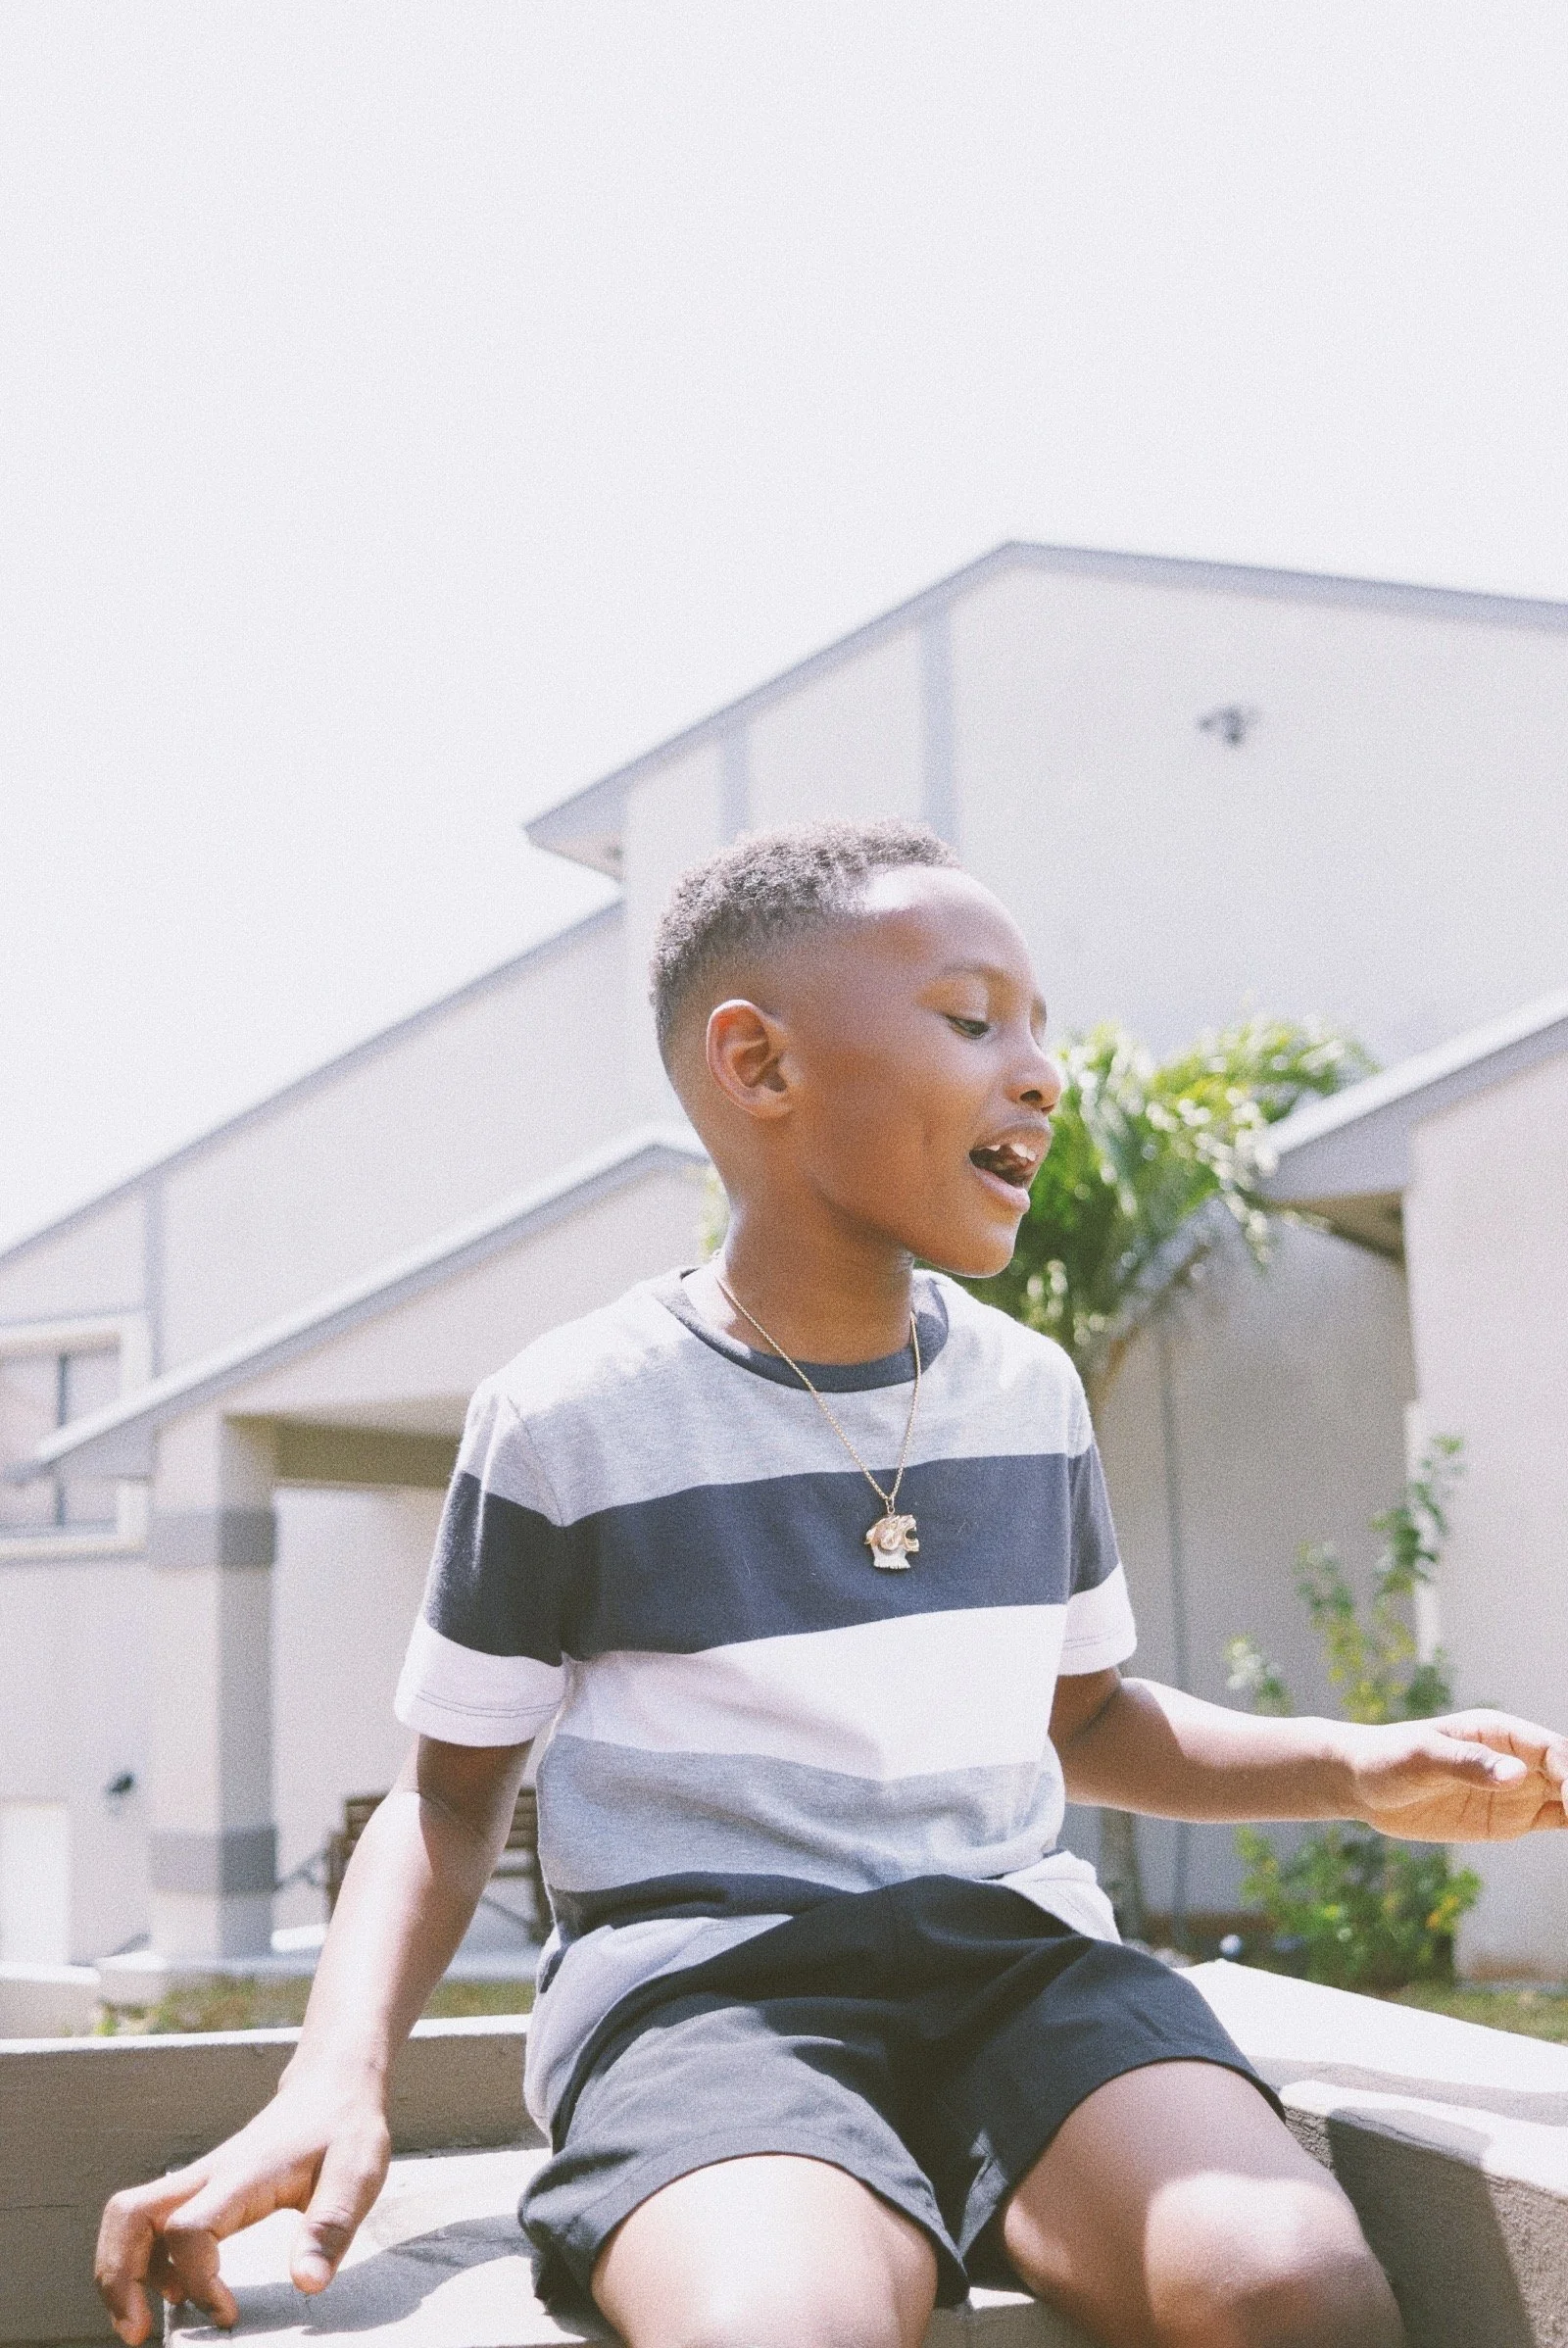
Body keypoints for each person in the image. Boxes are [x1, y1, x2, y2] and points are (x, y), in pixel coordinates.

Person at [97, 819, 1567, 2348]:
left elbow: (1083, 1718)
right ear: (760, 1064)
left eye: (1039, 1028)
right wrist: (332, 2076)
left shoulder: (1029, 1395)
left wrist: (1355, 1769)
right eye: (973, 1020)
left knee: (1287, 2285)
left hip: (1022, 1970)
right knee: (783, 2326)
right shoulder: (568, 1417)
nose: (1042, 1075)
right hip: (706, 2004)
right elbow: (449, 1800)